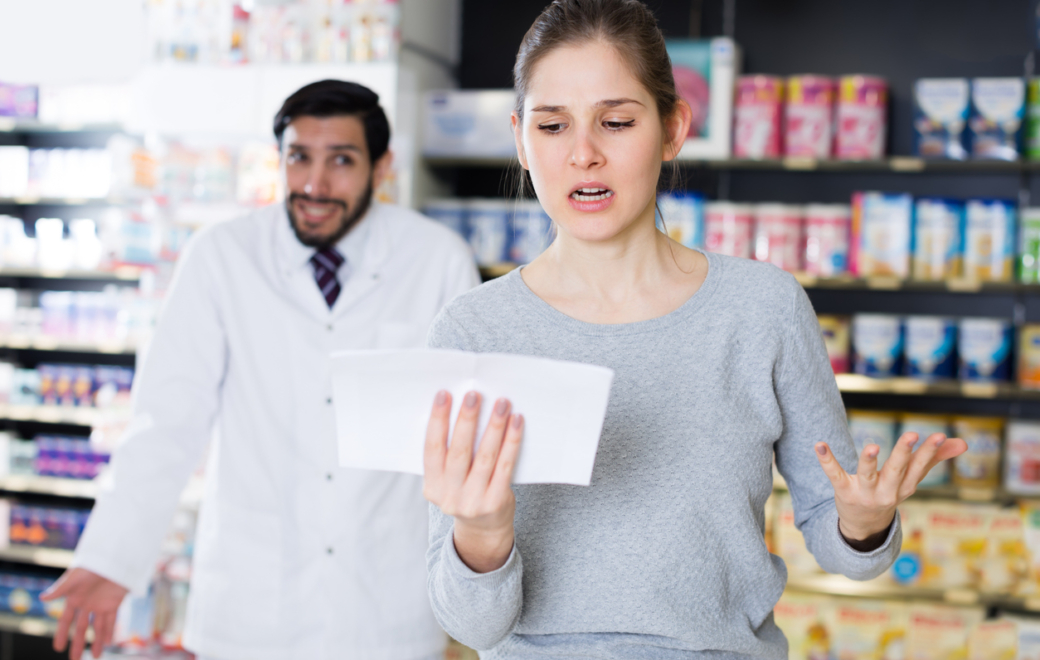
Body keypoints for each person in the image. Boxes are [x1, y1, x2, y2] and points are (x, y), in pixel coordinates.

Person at [420, 2, 968, 658]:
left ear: (673, 128)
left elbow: (848, 547)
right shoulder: (474, 330)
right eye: (552, 126)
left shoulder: (763, 308)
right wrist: (481, 533)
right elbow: (470, 626)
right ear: (519, 139)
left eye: (617, 122)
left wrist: (865, 523)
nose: (584, 154)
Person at [42, 80, 479, 660]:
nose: (314, 185)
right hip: (249, 607)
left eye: (341, 161)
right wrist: (111, 557)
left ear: (382, 167)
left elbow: (465, 433)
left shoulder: (437, 260)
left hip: (385, 609)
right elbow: (166, 423)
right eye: (299, 157)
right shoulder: (221, 256)